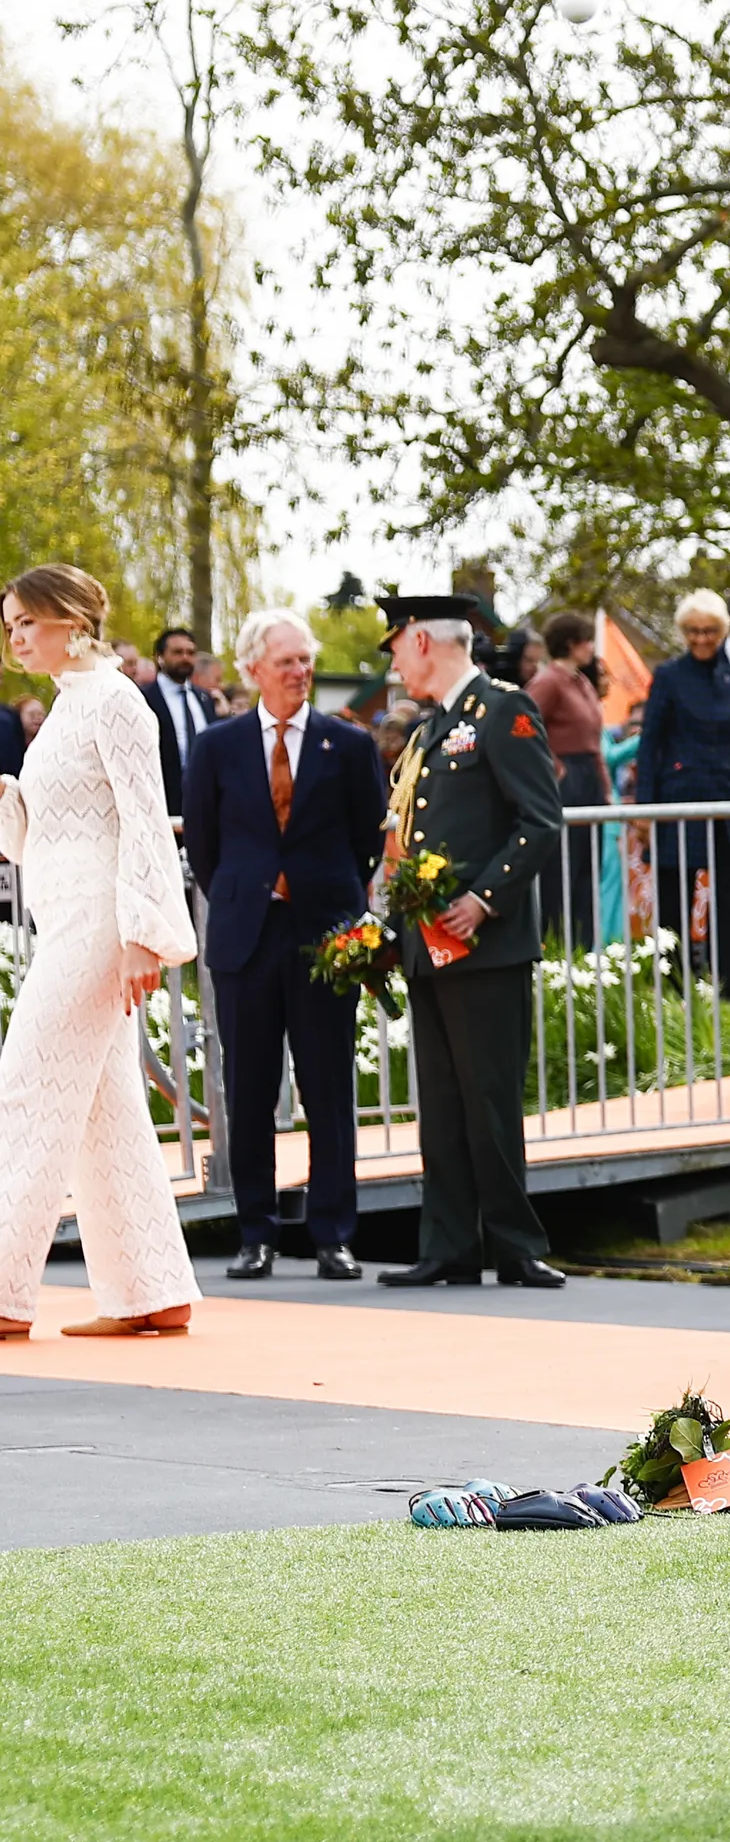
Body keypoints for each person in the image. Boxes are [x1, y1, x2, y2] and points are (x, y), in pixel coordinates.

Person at [0, 566, 207, 1341]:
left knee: (22, 1090)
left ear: (66, 618)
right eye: (10, 625)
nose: (14, 636)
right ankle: (152, 1293)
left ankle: (5, 1293)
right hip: (68, 922)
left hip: (98, 928)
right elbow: (47, 836)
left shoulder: (117, 700)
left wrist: (143, 935)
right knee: (105, 1110)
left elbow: (145, 822)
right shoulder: (67, 706)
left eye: (25, 622)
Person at [369, 596, 568, 1290]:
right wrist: (390, 930)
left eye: (396, 646)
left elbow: (540, 821)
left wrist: (484, 899)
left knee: (488, 1098)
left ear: (423, 640)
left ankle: (514, 1244)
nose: (393, 661)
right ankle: (449, 1245)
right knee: (445, 1102)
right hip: (431, 942)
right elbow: (408, 841)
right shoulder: (432, 731)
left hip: (485, 944)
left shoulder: (501, 711)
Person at [190, 608, 385, 1283]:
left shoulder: (349, 745)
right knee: (248, 1091)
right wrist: (253, 894)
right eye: (287, 662)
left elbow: (368, 840)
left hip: (324, 936)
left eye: (305, 659)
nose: (300, 672)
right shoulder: (216, 747)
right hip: (247, 937)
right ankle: (255, 1234)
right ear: (253, 669)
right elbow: (207, 849)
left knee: (328, 1086)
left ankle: (333, 1234)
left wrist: (327, 898)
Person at [634, 589, 730, 994]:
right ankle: (671, 988)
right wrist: (643, 807)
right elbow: (650, 744)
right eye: (692, 631)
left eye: (708, 630)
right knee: (674, 897)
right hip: (677, 801)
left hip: (725, 798)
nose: (701, 638)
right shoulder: (669, 676)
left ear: (723, 631)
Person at [524, 611, 615, 944]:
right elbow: (521, 725)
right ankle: (558, 946)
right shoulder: (548, 682)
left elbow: (595, 738)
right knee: (563, 869)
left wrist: (603, 787)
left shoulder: (582, 681)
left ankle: (586, 949)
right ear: (570, 644)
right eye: (586, 640)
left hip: (589, 776)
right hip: (566, 782)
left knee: (588, 870)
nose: (591, 646)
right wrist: (553, 766)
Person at [136, 621, 219, 831]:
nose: (185, 658)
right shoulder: (143, 698)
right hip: (160, 804)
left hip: (203, 803)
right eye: (177, 652)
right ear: (159, 657)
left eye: (190, 653)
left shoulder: (204, 699)